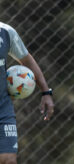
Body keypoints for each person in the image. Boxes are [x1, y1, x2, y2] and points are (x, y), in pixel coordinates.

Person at [0, 22, 54, 164]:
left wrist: (45, 92)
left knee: (8, 160)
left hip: (2, 109)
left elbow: (26, 59)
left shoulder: (6, 32)